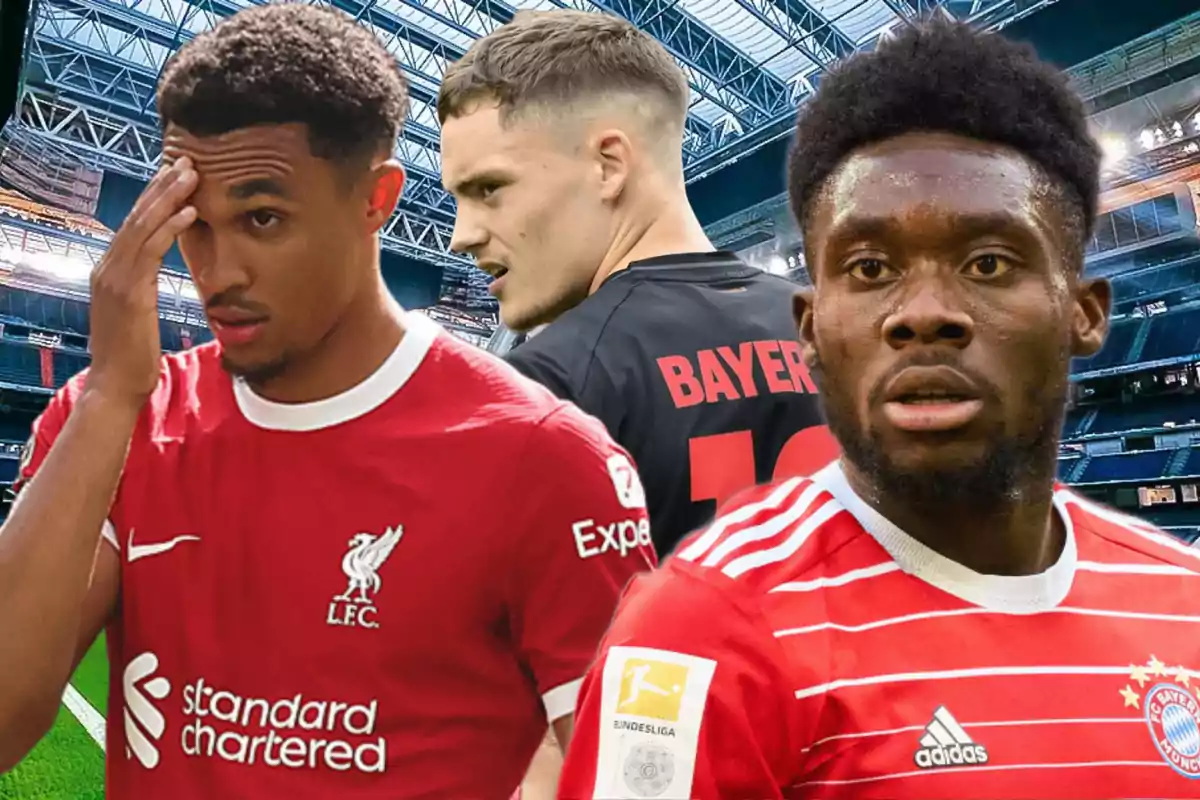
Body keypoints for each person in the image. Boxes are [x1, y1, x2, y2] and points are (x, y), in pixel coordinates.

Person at [0, 6, 654, 798]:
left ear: (376, 198)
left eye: (262, 218)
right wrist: (108, 395)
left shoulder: (543, 456)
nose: (216, 272)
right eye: (193, 226)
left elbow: (635, 774)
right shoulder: (120, 417)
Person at [559, 19, 1200, 800]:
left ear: (1085, 313)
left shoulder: (1185, 602)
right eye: (869, 268)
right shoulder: (696, 634)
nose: (924, 312)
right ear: (810, 332)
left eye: (988, 262)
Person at [438, 10, 836, 561]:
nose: (462, 236)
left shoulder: (548, 387)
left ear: (609, 166)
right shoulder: (839, 335)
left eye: (488, 188)